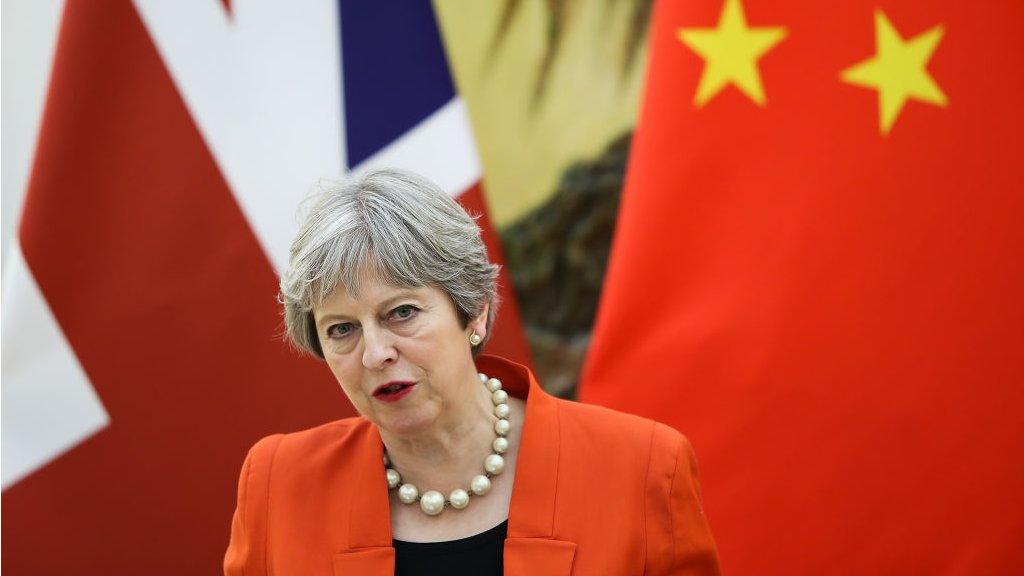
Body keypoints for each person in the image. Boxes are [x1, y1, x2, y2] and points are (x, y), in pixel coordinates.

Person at [224, 169, 721, 575]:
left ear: (475, 311)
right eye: (341, 329)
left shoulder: (645, 467)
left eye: (402, 313)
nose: (375, 353)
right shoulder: (279, 485)